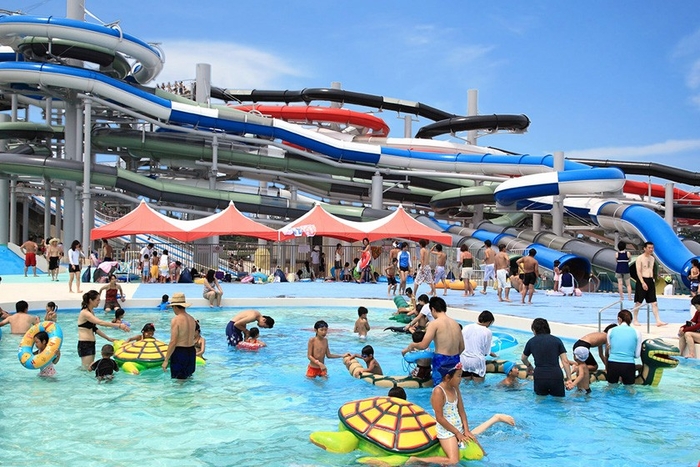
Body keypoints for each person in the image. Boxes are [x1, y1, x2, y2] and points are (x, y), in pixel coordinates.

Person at [406, 362, 475, 466]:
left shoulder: (455, 388)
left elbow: (462, 411)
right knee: (453, 461)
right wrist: (457, 433)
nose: (461, 379)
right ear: (447, 377)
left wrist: (466, 430)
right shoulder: (438, 392)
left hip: (458, 427)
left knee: (482, 452)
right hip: (446, 431)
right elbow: (440, 418)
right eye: (458, 376)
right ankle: (417, 459)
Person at [402, 297, 464, 386]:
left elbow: (423, 345)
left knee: (439, 388)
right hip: (455, 359)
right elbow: (462, 347)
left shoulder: (434, 324)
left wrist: (412, 345)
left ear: (433, 309)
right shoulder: (455, 324)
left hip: (441, 360)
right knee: (453, 387)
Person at [77, 290, 130, 369]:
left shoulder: (91, 312)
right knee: (86, 369)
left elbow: (95, 329)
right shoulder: (85, 313)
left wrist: (108, 338)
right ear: (90, 300)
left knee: (89, 368)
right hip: (85, 344)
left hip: (90, 343)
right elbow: (100, 322)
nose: (99, 302)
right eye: (97, 300)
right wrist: (119, 325)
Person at [521, 317, 572, 397]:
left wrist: (529, 366)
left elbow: (523, 358)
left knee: (540, 400)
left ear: (534, 329)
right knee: (559, 401)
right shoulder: (557, 340)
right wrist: (569, 379)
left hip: (540, 375)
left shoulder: (531, 341)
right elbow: (565, 361)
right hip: (556, 375)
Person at [162, 292, 197, 380]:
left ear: (175, 307)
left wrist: (166, 360)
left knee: (179, 382)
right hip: (191, 352)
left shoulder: (176, 320)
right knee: (188, 378)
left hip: (180, 352)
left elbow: (173, 341)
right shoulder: (192, 319)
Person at [631, 242, 667, 326]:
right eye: (649, 248)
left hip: (650, 280)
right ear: (645, 248)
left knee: (654, 302)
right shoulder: (640, 258)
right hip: (642, 280)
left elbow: (651, 270)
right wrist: (642, 282)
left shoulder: (652, 258)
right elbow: (638, 271)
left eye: (652, 248)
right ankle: (635, 319)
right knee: (639, 302)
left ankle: (658, 320)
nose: (651, 249)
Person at [606, 309, 642, 385]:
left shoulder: (610, 331)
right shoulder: (637, 332)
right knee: (629, 389)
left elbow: (609, 352)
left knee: (611, 388)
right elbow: (637, 355)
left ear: (619, 319)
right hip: (628, 365)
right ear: (631, 320)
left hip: (613, 364)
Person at [460, 310, 497, 384]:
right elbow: (486, 352)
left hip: (464, 359)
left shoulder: (466, 327)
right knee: (478, 386)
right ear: (489, 321)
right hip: (477, 361)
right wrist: (492, 354)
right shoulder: (487, 332)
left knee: (465, 384)